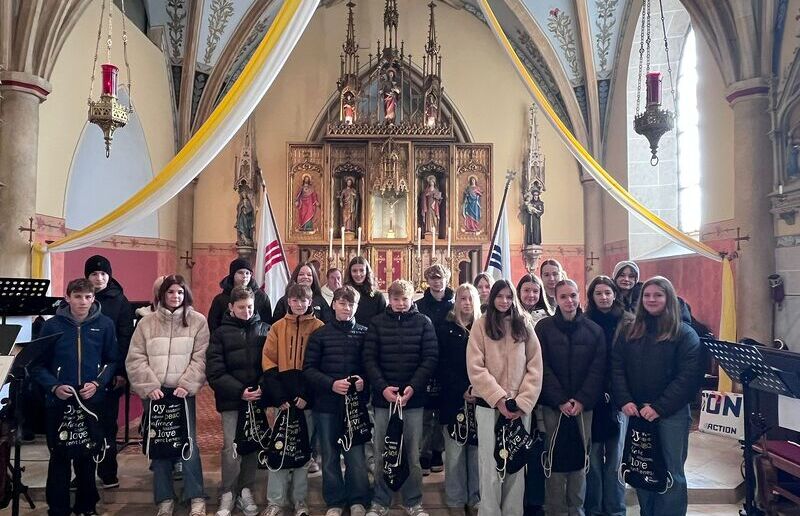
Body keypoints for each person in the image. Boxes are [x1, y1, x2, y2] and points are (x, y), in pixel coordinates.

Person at [612, 276, 704, 516]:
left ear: (669, 298)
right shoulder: (629, 330)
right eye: (647, 295)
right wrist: (625, 400)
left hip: (670, 414)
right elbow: (617, 366)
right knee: (643, 468)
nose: (651, 299)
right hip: (638, 412)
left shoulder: (685, 333)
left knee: (671, 471)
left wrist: (659, 408)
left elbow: (688, 378)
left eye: (658, 295)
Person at [31, 278, 119, 516]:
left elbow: (112, 360)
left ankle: (86, 505)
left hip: (90, 399)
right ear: (67, 298)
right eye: (78, 297)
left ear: (94, 299)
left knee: (87, 454)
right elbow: (37, 365)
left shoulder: (105, 325)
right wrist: (54, 386)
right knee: (59, 454)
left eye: (88, 297)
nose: (83, 302)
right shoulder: (52, 326)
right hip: (60, 398)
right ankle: (58, 508)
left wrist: (98, 383)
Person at [126, 275, 210, 516]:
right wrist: (150, 385)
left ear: (186, 295)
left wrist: (187, 383)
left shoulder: (198, 321)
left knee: (189, 444)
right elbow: (135, 358)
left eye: (180, 292)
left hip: (183, 393)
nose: (175, 296)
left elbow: (201, 357)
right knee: (160, 445)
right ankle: (164, 498)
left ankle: (196, 496)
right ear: (162, 295)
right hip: (155, 393)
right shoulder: (146, 323)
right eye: (171, 292)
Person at [467, 279, 543, 516]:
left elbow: (535, 366)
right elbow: (476, 367)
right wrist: (499, 399)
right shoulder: (481, 325)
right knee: (490, 466)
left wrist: (522, 402)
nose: (504, 301)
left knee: (516, 465)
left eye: (509, 297)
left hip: (518, 409)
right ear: (492, 298)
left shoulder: (524, 325)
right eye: (499, 296)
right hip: (490, 406)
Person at [363, 279, 438, 516]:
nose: (400, 303)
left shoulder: (423, 322)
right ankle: (380, 501)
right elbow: (369, 359)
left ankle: (413, 501)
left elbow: (430, 358)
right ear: (390, 299)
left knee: (412, 454)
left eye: (404, 299)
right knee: (383, 451)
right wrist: (383, 388)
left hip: (412, 400)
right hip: (384, 400)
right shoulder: (377, 323)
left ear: (412, 298)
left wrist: (412, 388)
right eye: (396, 299)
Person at [535, 279, 605, 516]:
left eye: (573, 295)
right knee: (554, 458)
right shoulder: (544, 328)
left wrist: (582, 400)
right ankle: (555, 510)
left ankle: (576, 510)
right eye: (563, 296)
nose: (569, 301)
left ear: (579, 296)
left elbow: (598, 369)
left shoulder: (594, 330)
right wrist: (560, 400)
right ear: (555, 298)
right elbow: (541, 366)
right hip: (554, 406)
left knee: (580, 458)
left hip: (583, 407)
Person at [303, 286, 371, 516]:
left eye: (351, 304)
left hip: (354, 407)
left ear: (357, 307)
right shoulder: (320, 334)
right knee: (330, 455)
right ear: (334, 305)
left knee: (356, 455)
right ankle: (334, 501)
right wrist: (331, 384)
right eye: (342, 303)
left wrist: (364, 381)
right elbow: (309, 369)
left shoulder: (365, 333)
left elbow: (371, 366)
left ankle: (358, 499)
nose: (346, 308)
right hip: (327, 404)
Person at [261, 283, 326, 516]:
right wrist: (279, 396)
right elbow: (268, 361)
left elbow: (321, 364)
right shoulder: (277, 327)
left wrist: (307, 395)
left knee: (302, 451)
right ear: (288, 301)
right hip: (283, 401)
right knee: (279, 447)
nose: (299, 304)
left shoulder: (319, 328)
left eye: (303, 300)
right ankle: (275, 501)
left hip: (306, 401)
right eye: (295, 300)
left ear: (310, 302)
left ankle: (300, 500)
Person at [206, 286, 271, 516]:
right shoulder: (220, 334)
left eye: (250, 307)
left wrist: (261, 387)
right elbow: (215, 371)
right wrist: (240, 391)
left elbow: (271, 365)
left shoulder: (265, 330)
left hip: (256, 398)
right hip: (231, 400)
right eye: (241, 307)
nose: (246, 311)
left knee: (251, 445)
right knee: (230, 446)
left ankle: (245, 490)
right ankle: (227, 492)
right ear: (231, 307)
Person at [584, 276, 634, 516]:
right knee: (593, 459)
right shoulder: (584, 322)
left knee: (616, 458)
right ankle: (594, 508)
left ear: (615, 294)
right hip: (592, 398)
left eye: (607, 292)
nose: (603, 297)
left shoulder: (629, 322)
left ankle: (615, 509)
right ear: (591, 297)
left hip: (619, 397)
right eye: (598, 293)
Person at [83, 254, 133, 489]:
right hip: (83, 374)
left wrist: (121, 372)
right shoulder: (81, 299)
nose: (99, 278)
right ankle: (83, 473)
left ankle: (108, 471)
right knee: (82, 426)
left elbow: (125, 338)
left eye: (103, 273)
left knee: (107, 424)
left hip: (110, 372)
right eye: (94, 274)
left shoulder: (120, 301)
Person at [437, 284, 482, 514]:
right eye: (462, 298)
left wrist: (477, 389)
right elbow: (440, 364)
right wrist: (462, 389)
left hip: (480, 398)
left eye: (470, 299)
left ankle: (475, 499)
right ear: (456, 302)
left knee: (476, 453)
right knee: (454, 453)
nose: (466, 303)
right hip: (453, 398)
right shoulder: (445, 328)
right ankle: (455, 500)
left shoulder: (483, 328)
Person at [416, 264, 454, 475]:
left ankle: (438, 450)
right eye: (432, 278)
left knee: (441, 412)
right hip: (425, 362)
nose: (437, 281)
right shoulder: (419, 305)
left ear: (447, 279)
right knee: (425, 412)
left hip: (447, 362)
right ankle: (424, 452)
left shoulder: (454, 304)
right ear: (427, 280)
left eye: (440, 277)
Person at [208, 258, 273, 333]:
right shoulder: (220, 299)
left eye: (247, 273)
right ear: (233, 275)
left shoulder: (262, 297)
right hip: (227, 337)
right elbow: (213, 325)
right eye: (240, 273)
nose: (245, 276)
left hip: (256, 337)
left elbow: (267, 324)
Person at [344, 256, 387, 328]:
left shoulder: (378, 296)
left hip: (371, 332)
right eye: (354, 271)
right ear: (349, 273)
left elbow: (383, 320)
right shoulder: (343, 294)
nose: (358, 274)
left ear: (367, 272)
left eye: (361, 270)